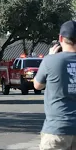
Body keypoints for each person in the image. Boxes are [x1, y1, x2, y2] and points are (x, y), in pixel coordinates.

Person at [34, 20, 76, 150]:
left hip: (57, 129)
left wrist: (50, 56)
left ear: (61, 38)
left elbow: (37, 85)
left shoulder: (50, 60)